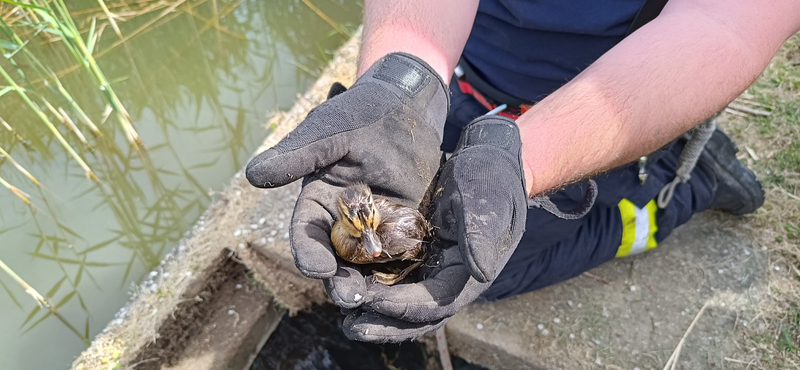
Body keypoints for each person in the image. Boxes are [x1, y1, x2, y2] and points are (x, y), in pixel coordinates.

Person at [246, 0, 800, 343]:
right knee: (445, 251)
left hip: (595, 122)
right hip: (460, 85)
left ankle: (688, 189)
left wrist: (518, 161)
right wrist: (403, 82)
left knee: (486, 269)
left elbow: (724, 22)